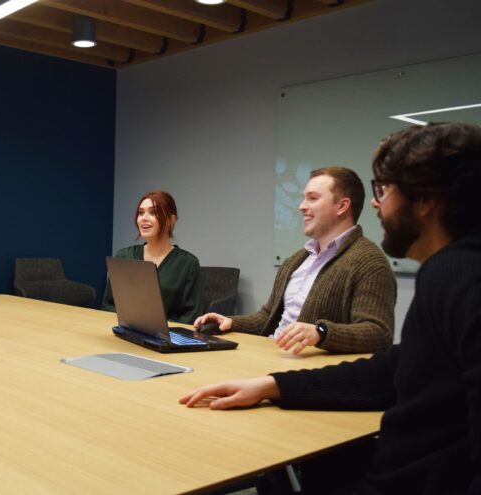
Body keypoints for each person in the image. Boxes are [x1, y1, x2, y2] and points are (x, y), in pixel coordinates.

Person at [180, 122, 481, 494]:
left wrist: (320, 334)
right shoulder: (451, 272)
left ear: (426, 199)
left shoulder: (458, 274)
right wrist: (272, 386)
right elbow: (393, 368)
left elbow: (379, 336)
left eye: (383, 190)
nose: (376, 203)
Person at [195, 166, 396, 354]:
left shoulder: (370, 263)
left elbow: (378, 333)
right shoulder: (297, 259)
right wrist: (231, 322)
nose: (301, 207)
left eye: (313, 198)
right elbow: (267, 317)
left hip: (311, 375)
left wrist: (321, 333)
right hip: (273, 356)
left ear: (342, 206)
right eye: (303, 198)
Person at [102, 190, 203, 324]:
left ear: (171, 220)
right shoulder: (124, 256)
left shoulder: (188, 263)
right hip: (124, 333)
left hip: (167, 340)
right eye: (140, 212)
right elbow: (108, 305)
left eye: (153, 212)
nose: (144, 217)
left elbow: (191, 316)